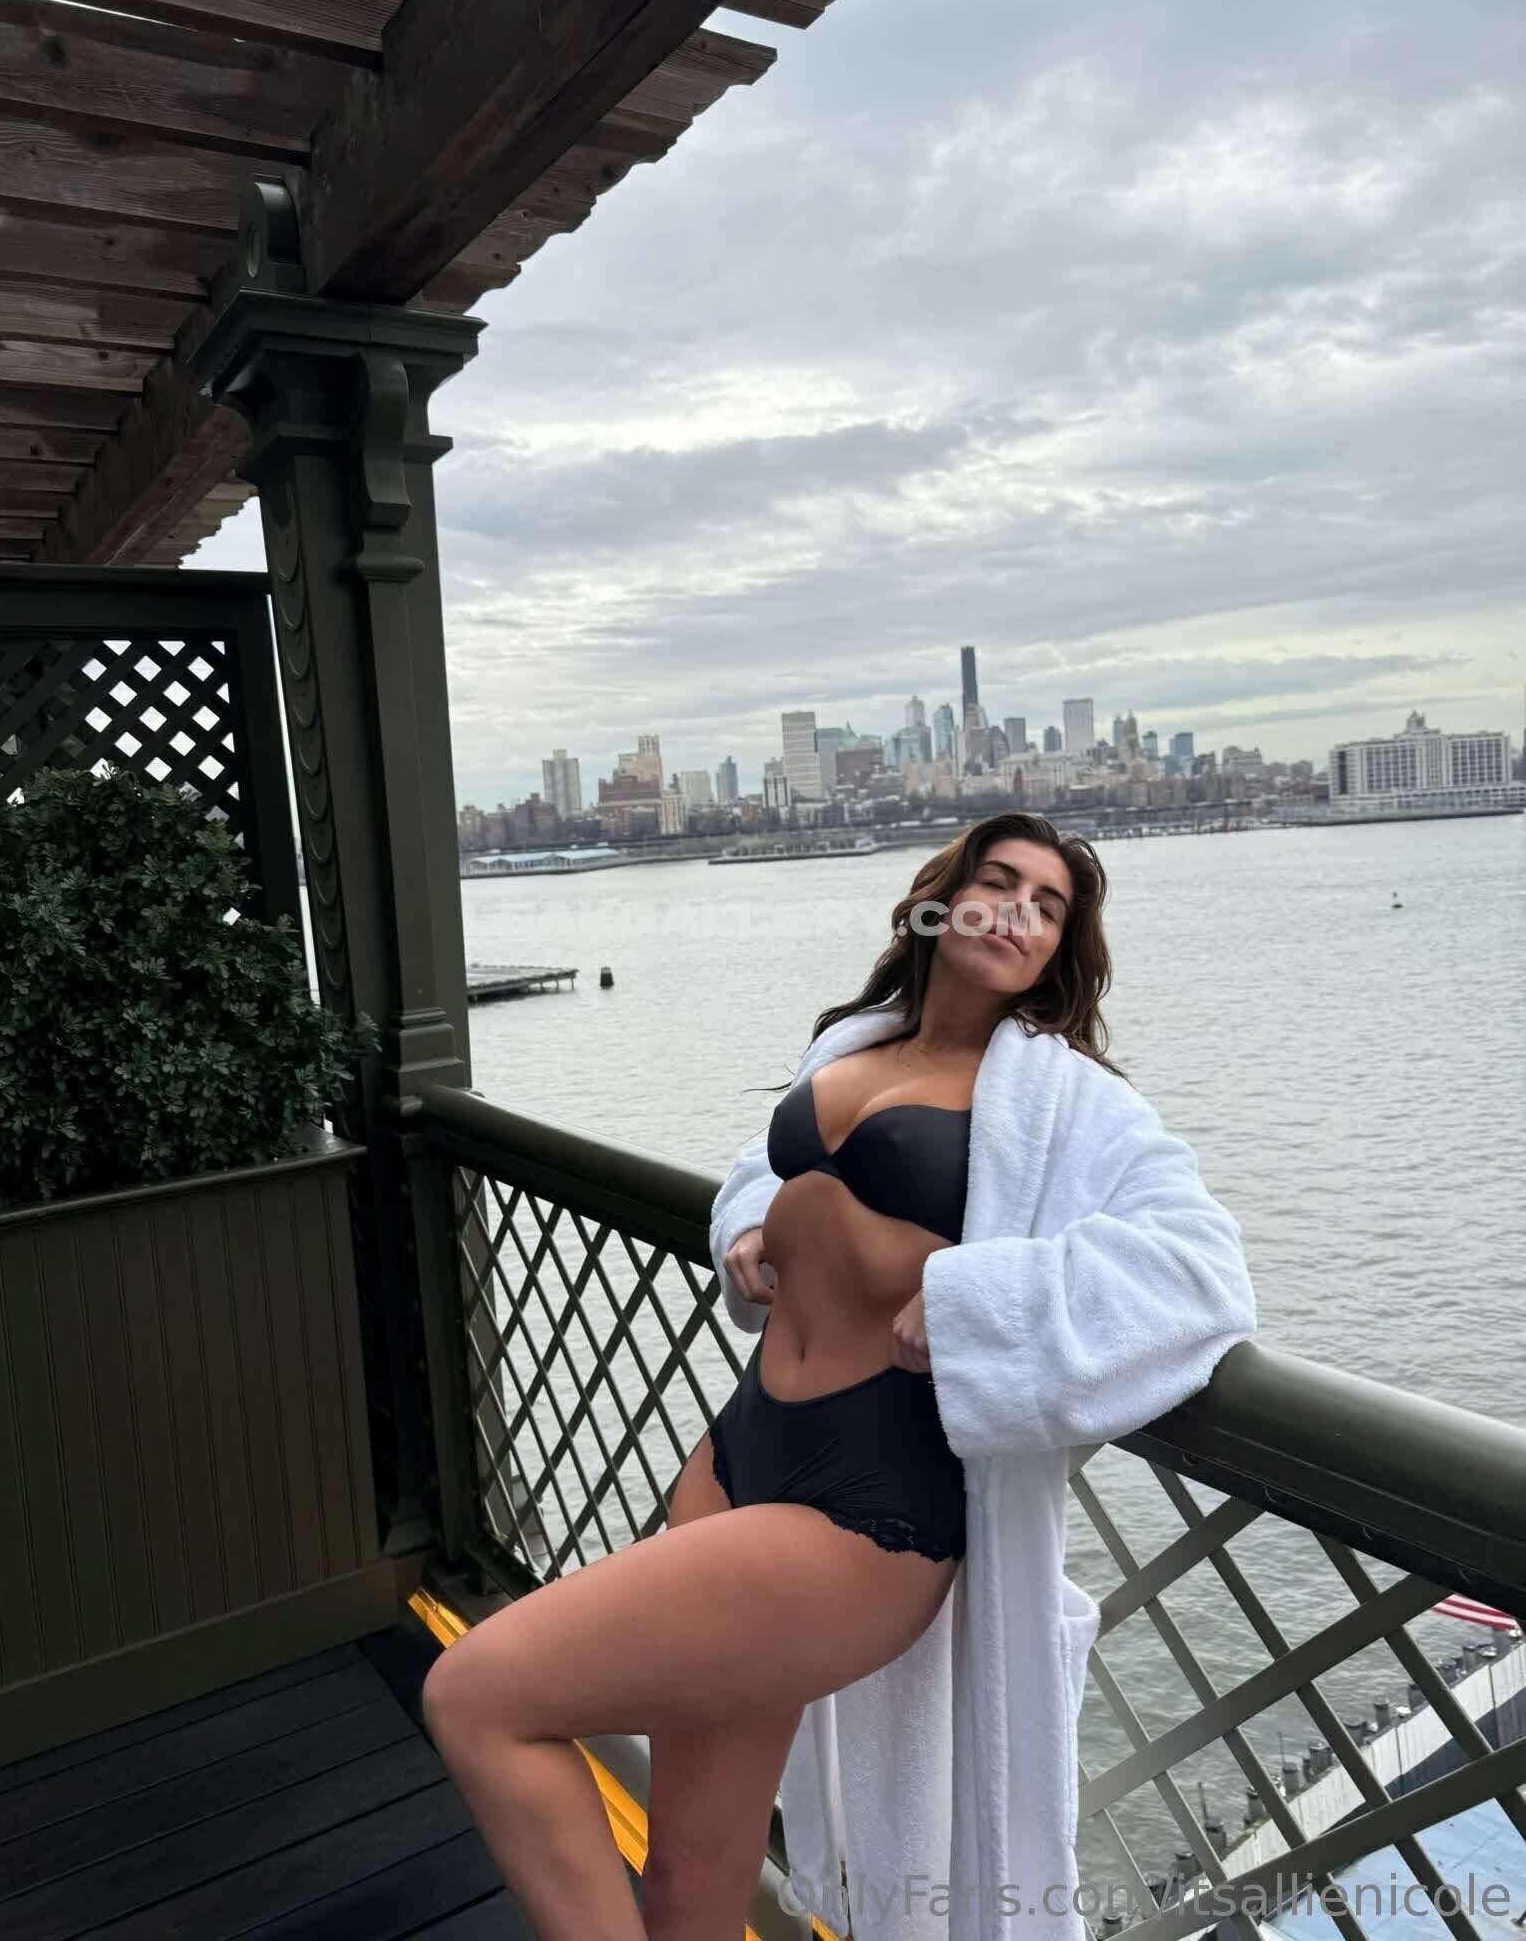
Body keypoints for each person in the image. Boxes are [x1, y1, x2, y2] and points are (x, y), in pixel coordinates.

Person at [422, 810, 1257, 1941]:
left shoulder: (1069, 1100)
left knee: (476, 1695)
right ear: (942, 902)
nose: (1015, 911)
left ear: (1058, 954)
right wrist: (749, 1223)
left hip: (868, 1502)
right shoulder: (857, 1042)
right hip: (740, 1449)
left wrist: (977, 1303)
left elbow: (1202, 1274)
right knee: (692, 1862)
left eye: (1047, 907)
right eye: (997, 881)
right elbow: (770, 1172)